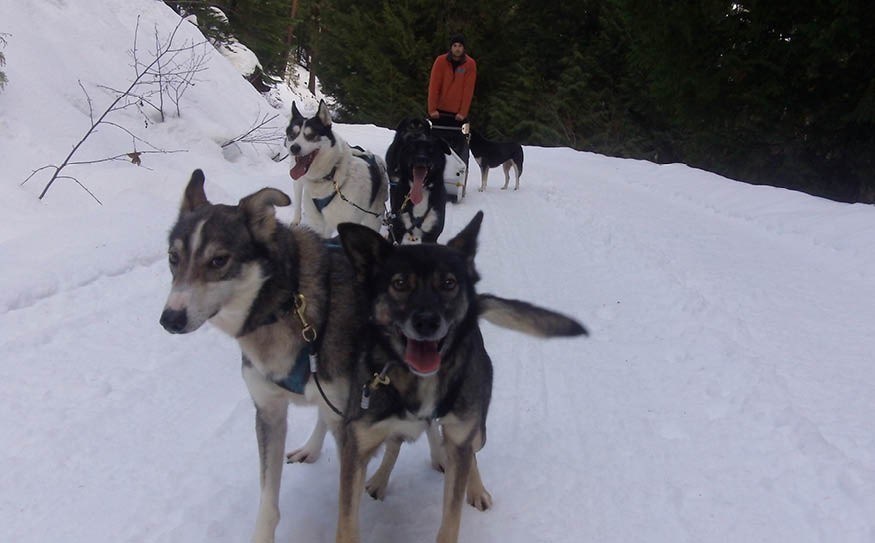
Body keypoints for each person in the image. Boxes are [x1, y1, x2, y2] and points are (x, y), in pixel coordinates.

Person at [428, 34, 477, 124]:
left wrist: (463, 112)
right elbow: (434, 86)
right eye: (455, 46)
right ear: (451, 47)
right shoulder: (440, 61)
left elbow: (468, 90)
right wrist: (432, 109)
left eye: (460, 46)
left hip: (457, 114)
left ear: (464, 48)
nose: (457, 49)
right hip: (439, 111)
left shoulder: (470, 64)